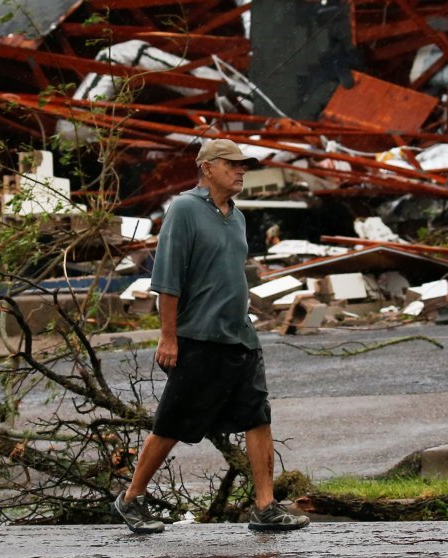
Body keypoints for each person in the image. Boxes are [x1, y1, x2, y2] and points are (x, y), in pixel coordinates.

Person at [112, 138, 310, 534]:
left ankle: (265, 506)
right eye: (232, 164)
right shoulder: (184, 209)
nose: (241, 171)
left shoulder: (236, 216)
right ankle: (132, 498)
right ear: (207, 168)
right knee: (171, 423)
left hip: (241, 337)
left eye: (243, 165)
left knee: (258, 417)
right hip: (198, 337)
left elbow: (233, 275)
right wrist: (168, 337)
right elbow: (167, 279)